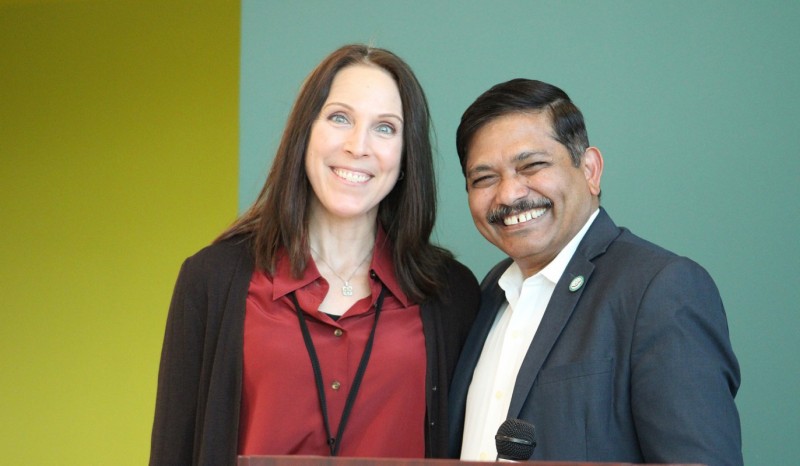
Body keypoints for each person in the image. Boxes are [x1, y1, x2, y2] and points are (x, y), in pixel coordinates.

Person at [149, 44, 479, 465]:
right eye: (340, 118)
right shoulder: (211, 280)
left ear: (405, 155)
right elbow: (173, 450)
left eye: (385, 128)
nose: (359, 146)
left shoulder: (452, 294)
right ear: (305, 131)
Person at [447, 78, 742, 465]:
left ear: (589, 169)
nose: (508, 194)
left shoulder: (662, 289)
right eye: (484, 178)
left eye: (532, 165)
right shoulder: (487, 295)